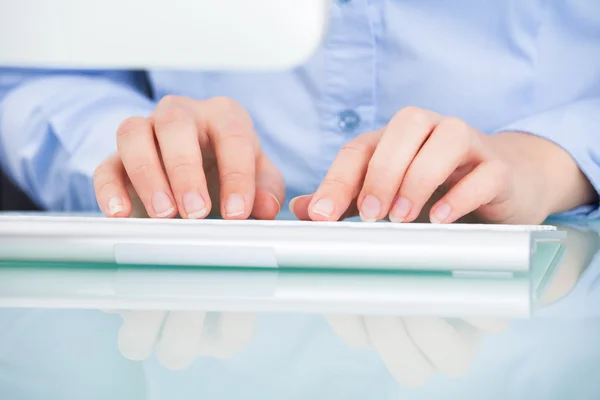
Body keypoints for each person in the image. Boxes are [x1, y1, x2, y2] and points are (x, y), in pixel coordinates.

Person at [0, 1, 599, 225]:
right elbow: (34, 63)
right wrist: (139, 158)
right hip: (196, 303)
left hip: (548, 286)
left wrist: (553, 160)